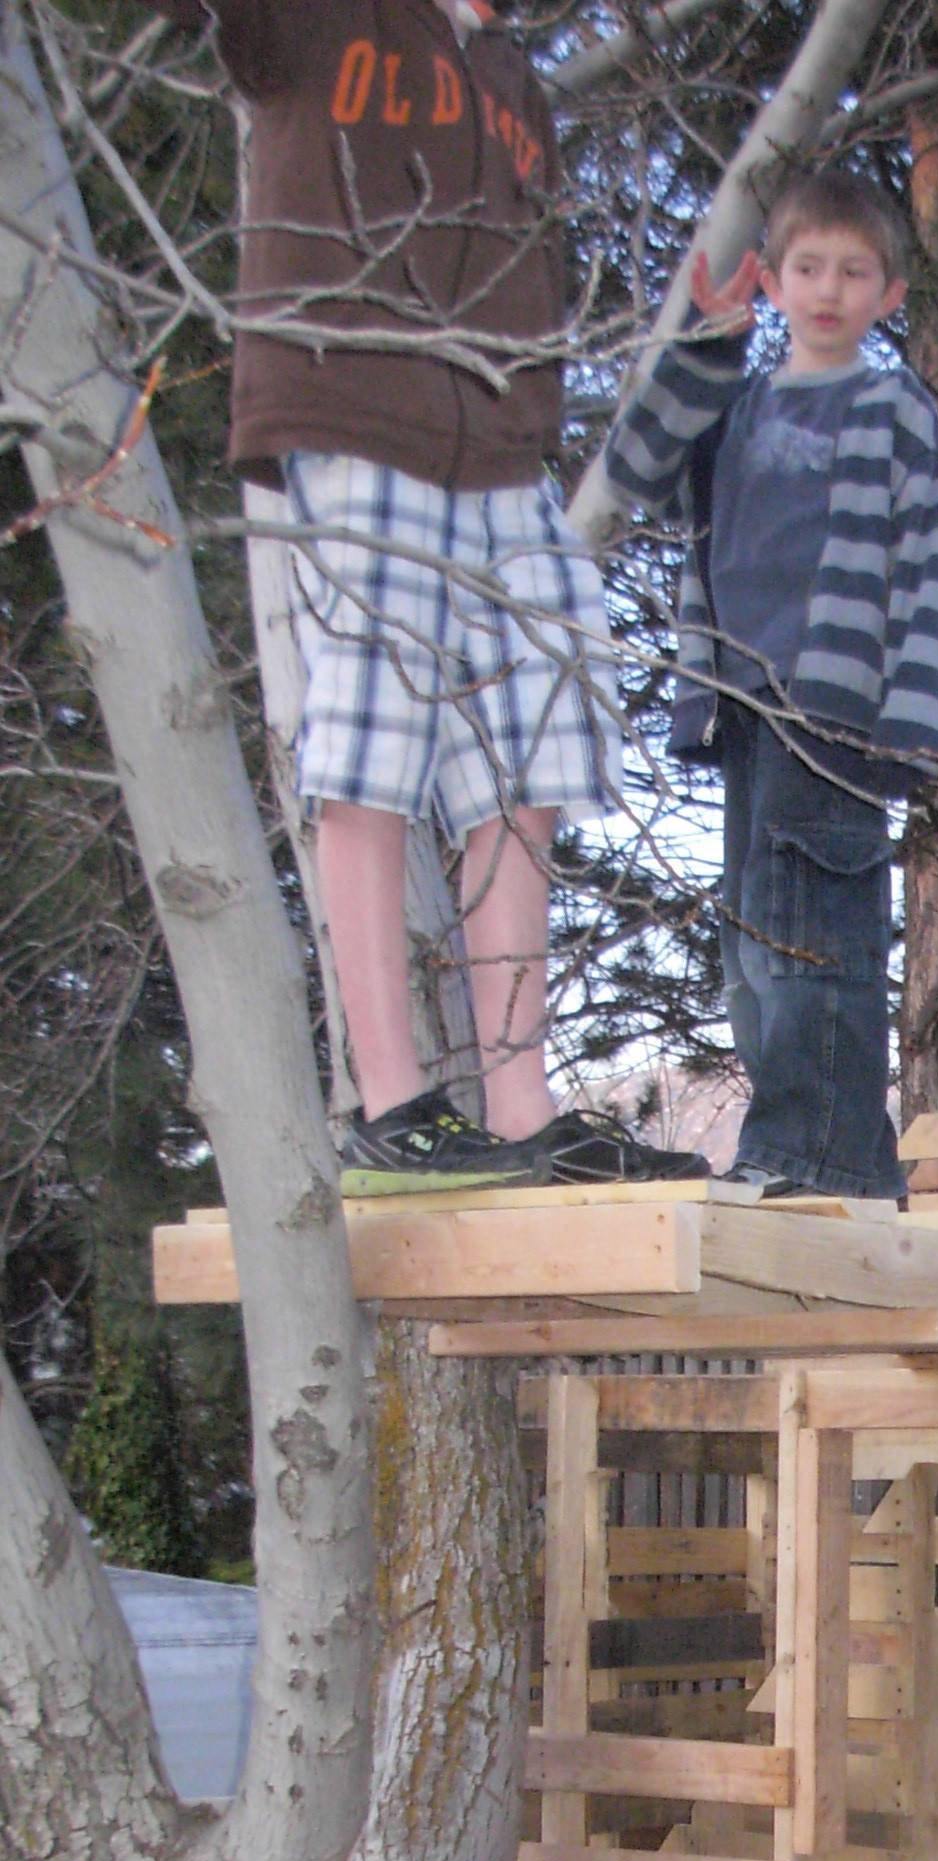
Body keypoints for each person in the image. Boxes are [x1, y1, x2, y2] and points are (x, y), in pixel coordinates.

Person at [154, 0, 705, 1189]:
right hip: (356, 408)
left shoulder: (510, 73)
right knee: (376, 731)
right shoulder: (321, 19)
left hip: (499, 445)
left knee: (543, 732)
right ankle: (391, 1100)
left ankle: (519, 1103)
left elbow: (532, 255)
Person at [601, 167, 938, 1201]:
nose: (829, 289)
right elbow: (634, 464)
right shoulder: (738, 405)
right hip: (742, 709)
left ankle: (814, 1153)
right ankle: (834, 1155)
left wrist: (908, 728)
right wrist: (705, 341)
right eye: (808, 268)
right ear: (771, 279)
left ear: (890, 293)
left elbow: (925, 569)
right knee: (753, 949)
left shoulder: (890, 405)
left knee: (815, 931)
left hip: (832, 711)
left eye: (854, 271)